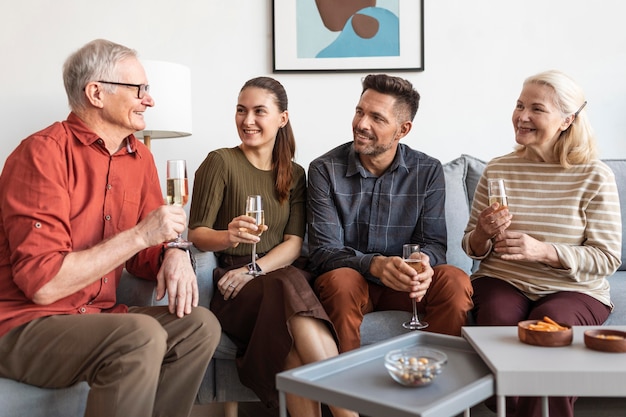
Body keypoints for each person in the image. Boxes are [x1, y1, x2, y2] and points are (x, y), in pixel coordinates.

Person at [0, 39, 221, 417]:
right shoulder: (41, 154)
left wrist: (174, 253)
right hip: (24, 324)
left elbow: (145, 254)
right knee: (141, 335)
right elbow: (43, 285)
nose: (149, 101)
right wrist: (141, 235)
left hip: (98, 317)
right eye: (140, 90)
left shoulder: (141, 158)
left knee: (199, 326)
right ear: (96, 93)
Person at [187, 76, 357, 417]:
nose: (247, 120)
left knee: (291, 340)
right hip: (234, 285)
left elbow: (294, 244)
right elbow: (196, 233)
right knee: (287, 285)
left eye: (259, 111)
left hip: (273, 274)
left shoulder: (294, 175)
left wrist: (256, 270)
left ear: (282, 118)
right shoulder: (220, 162)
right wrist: (229, 236)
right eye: (241, 110)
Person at [462, 70, 622, 417]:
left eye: (536, 108)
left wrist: (545, 251)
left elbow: (608, 258)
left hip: (574, 289)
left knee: (550, 329)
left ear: (567, 120)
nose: (522, 116)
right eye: (519, 105)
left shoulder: (594, 175)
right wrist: (482, 233)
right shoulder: (498, 169)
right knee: (501, 322)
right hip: (503, 280)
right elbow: (471, 248)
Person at [307, 73, 473, 353]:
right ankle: (341, 392)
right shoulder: (324, 170)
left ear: (403, 129)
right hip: (353, 282)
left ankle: (439, 385)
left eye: (377, 118)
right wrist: (375, 265)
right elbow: (324, 251)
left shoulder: (427, 170)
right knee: (340, 281)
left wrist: (424, 262)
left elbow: (434, 245)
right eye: (359, 112)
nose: (361, 124)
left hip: (406, 285)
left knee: (455, 280)